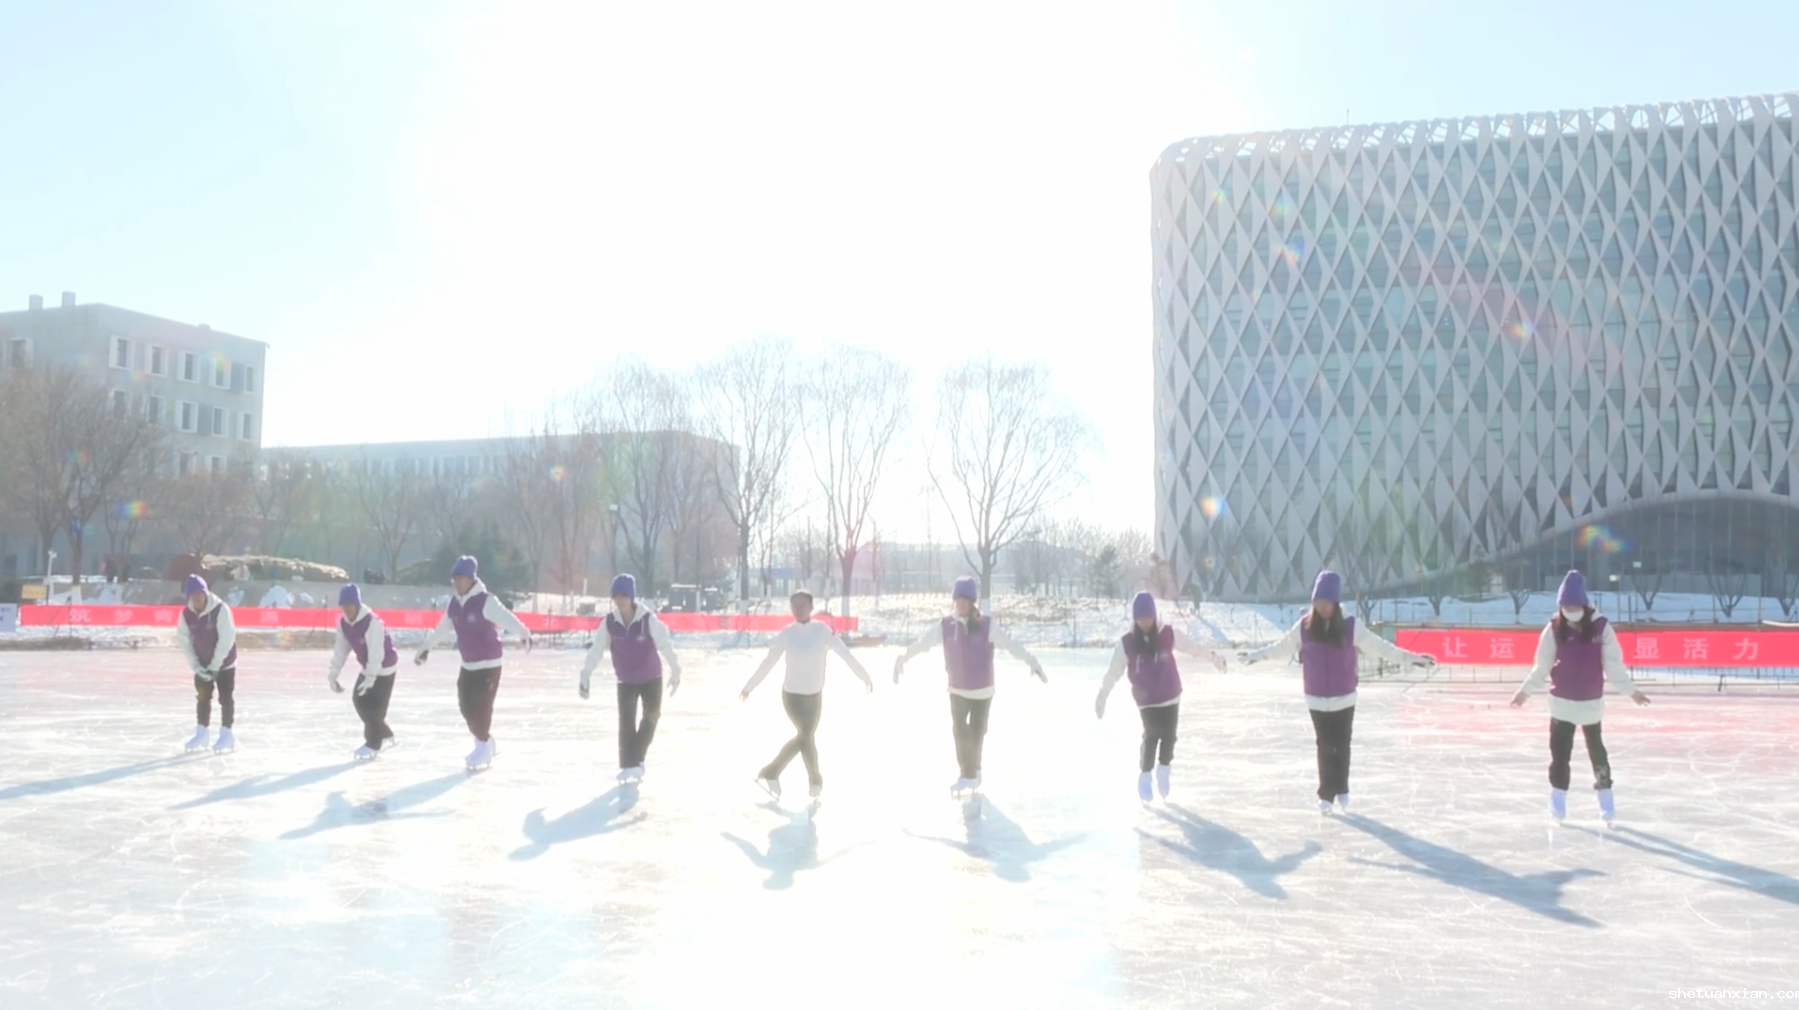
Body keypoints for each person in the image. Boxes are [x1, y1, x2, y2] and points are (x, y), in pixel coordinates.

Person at [1238, 570, 1435, 814]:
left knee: (1342, 745)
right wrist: (1255, 656)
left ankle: (1342, 788)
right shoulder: (1305, 628)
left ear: (1336, 603)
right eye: (1317, 603)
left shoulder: (1351, 627)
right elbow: (1281, 648)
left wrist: (1413, 659)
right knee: (1324, 745)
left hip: (1344, 697)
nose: (1322, 608)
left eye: (1326, 603)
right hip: (1316, 698)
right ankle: (1325, 793)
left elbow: (1381, 648)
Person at [1510, 570, 1651, 825]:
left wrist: (1632, 691)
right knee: (1559, 755)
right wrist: (1525, 691)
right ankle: (1558, 802)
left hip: (1590, 703)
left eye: (1575, 605)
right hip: (1561, 704)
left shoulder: (1601, 627)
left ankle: (1606, 801)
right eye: (1566, 606)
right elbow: (1541, 666)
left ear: (1584, 605)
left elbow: (1614, 665)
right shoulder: (1554, 628)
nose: (1570, 610)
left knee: (1597, 752)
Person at [894, 577, 1047, 797]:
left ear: (972, 601)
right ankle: (967, 774)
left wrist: (1031, 661)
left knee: (977, 732)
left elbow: (1011, 644)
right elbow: (923, 643)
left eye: (966, 600)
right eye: (959, 599)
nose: (962, 604)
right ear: (954, 601)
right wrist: (903, 657)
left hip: (982, 689)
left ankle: (974, 771)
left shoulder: (986, 625)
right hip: (957, 689)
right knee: (959, 730)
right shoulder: (946, 625)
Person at [739, 589, 874, 801]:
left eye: (802, 605)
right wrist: (749, 686)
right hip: (792, 696)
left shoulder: (822, 631)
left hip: (814, 696)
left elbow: (844, 653)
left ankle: (772, 772)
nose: (798, 610)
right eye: (794, 606)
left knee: (805, 737)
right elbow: (769, 661)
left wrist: (863, 675)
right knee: (806, 735)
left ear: (811, 607)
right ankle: (814, 780)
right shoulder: (787, 633)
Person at [1095, 591, 1229, 803]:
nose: (1145, 622)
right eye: (1140, 619)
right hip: (1146, 700)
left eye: (1147, 617)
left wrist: (1213, 657)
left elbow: (1193, 648)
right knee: (1151, 735)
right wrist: (1103, 693)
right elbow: (1114, 671)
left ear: (1154, 616)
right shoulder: (1127, 643)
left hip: (1170, 695)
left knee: (1169, 736)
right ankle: (1145, 776)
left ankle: (1163, 769)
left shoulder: (1168, 634)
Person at [415, 556, 533, 772]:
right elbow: (442, 629)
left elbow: (506, 617)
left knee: (480, 706)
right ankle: (486, 742)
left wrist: (523, 632)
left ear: (471, 579)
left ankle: (484, 747)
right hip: (468, 664)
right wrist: (426, 647)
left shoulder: (485, 601)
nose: (457, 583)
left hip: (489, 663)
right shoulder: (454, 604)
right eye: (454, 579)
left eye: (461, 579)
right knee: (465, 705)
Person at [579, 574, 682, 785]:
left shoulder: (647, 619)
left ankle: (636, 759)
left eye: (624, 595)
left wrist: (675, 668)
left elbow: (665, 643)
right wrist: (586, 673)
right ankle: (628, 765)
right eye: (616, 595)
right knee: (626, 722)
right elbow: (597, 649)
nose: (620, 600)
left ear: (632, 596)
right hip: (625, 679)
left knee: (651, 718)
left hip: (651, 677)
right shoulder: (609, 623)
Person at [327, 583, 399, 761]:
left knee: (370, 706)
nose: (347, 610)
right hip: (369, 666)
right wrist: (333, 675)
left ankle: (373, 744)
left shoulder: (371, 622)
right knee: (360, 701)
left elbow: (377, 654)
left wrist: (370, 679)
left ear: (357, 604)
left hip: (385, 667)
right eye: (344, 606)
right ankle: (385, 734)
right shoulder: (344, 624)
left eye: (350, 606)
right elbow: (341, 651)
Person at [176, 574, 239, 754]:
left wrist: (215, 665)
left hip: (225, 662)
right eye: (192, 595)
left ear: (205, 593)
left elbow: (226, 639)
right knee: (203, 697)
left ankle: (227, 733)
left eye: (200, 593)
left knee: (225, 698)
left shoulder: (220, 610)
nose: (197, 598)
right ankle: (202, 732)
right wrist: (196, 666)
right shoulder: (186, 615)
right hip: (203, 664)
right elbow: (184, 642)